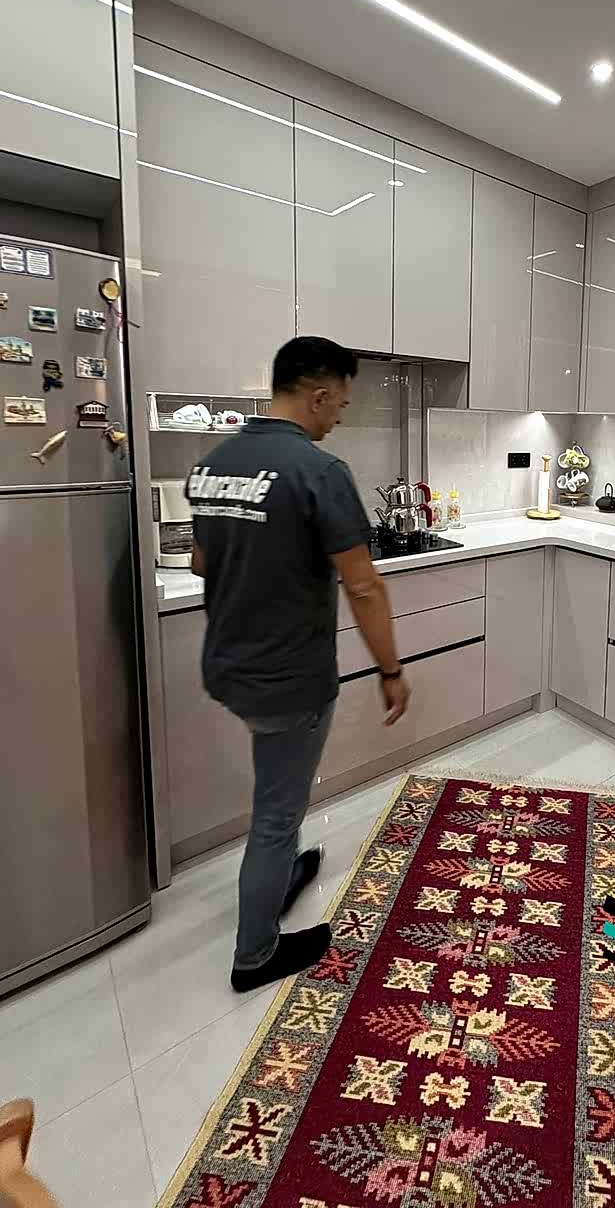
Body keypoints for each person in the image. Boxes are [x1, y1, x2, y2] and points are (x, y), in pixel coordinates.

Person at [187, 336, 410, 991]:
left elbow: (201, 561)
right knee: (277, 814)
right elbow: (363, 586)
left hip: (229, 665)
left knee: (276, 792)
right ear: (317, 395)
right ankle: (255, 953)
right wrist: (390, 670)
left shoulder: (214, 463)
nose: (340, 414)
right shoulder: (319, 471)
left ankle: (281, 873)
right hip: (288, 677)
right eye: (340, 402)